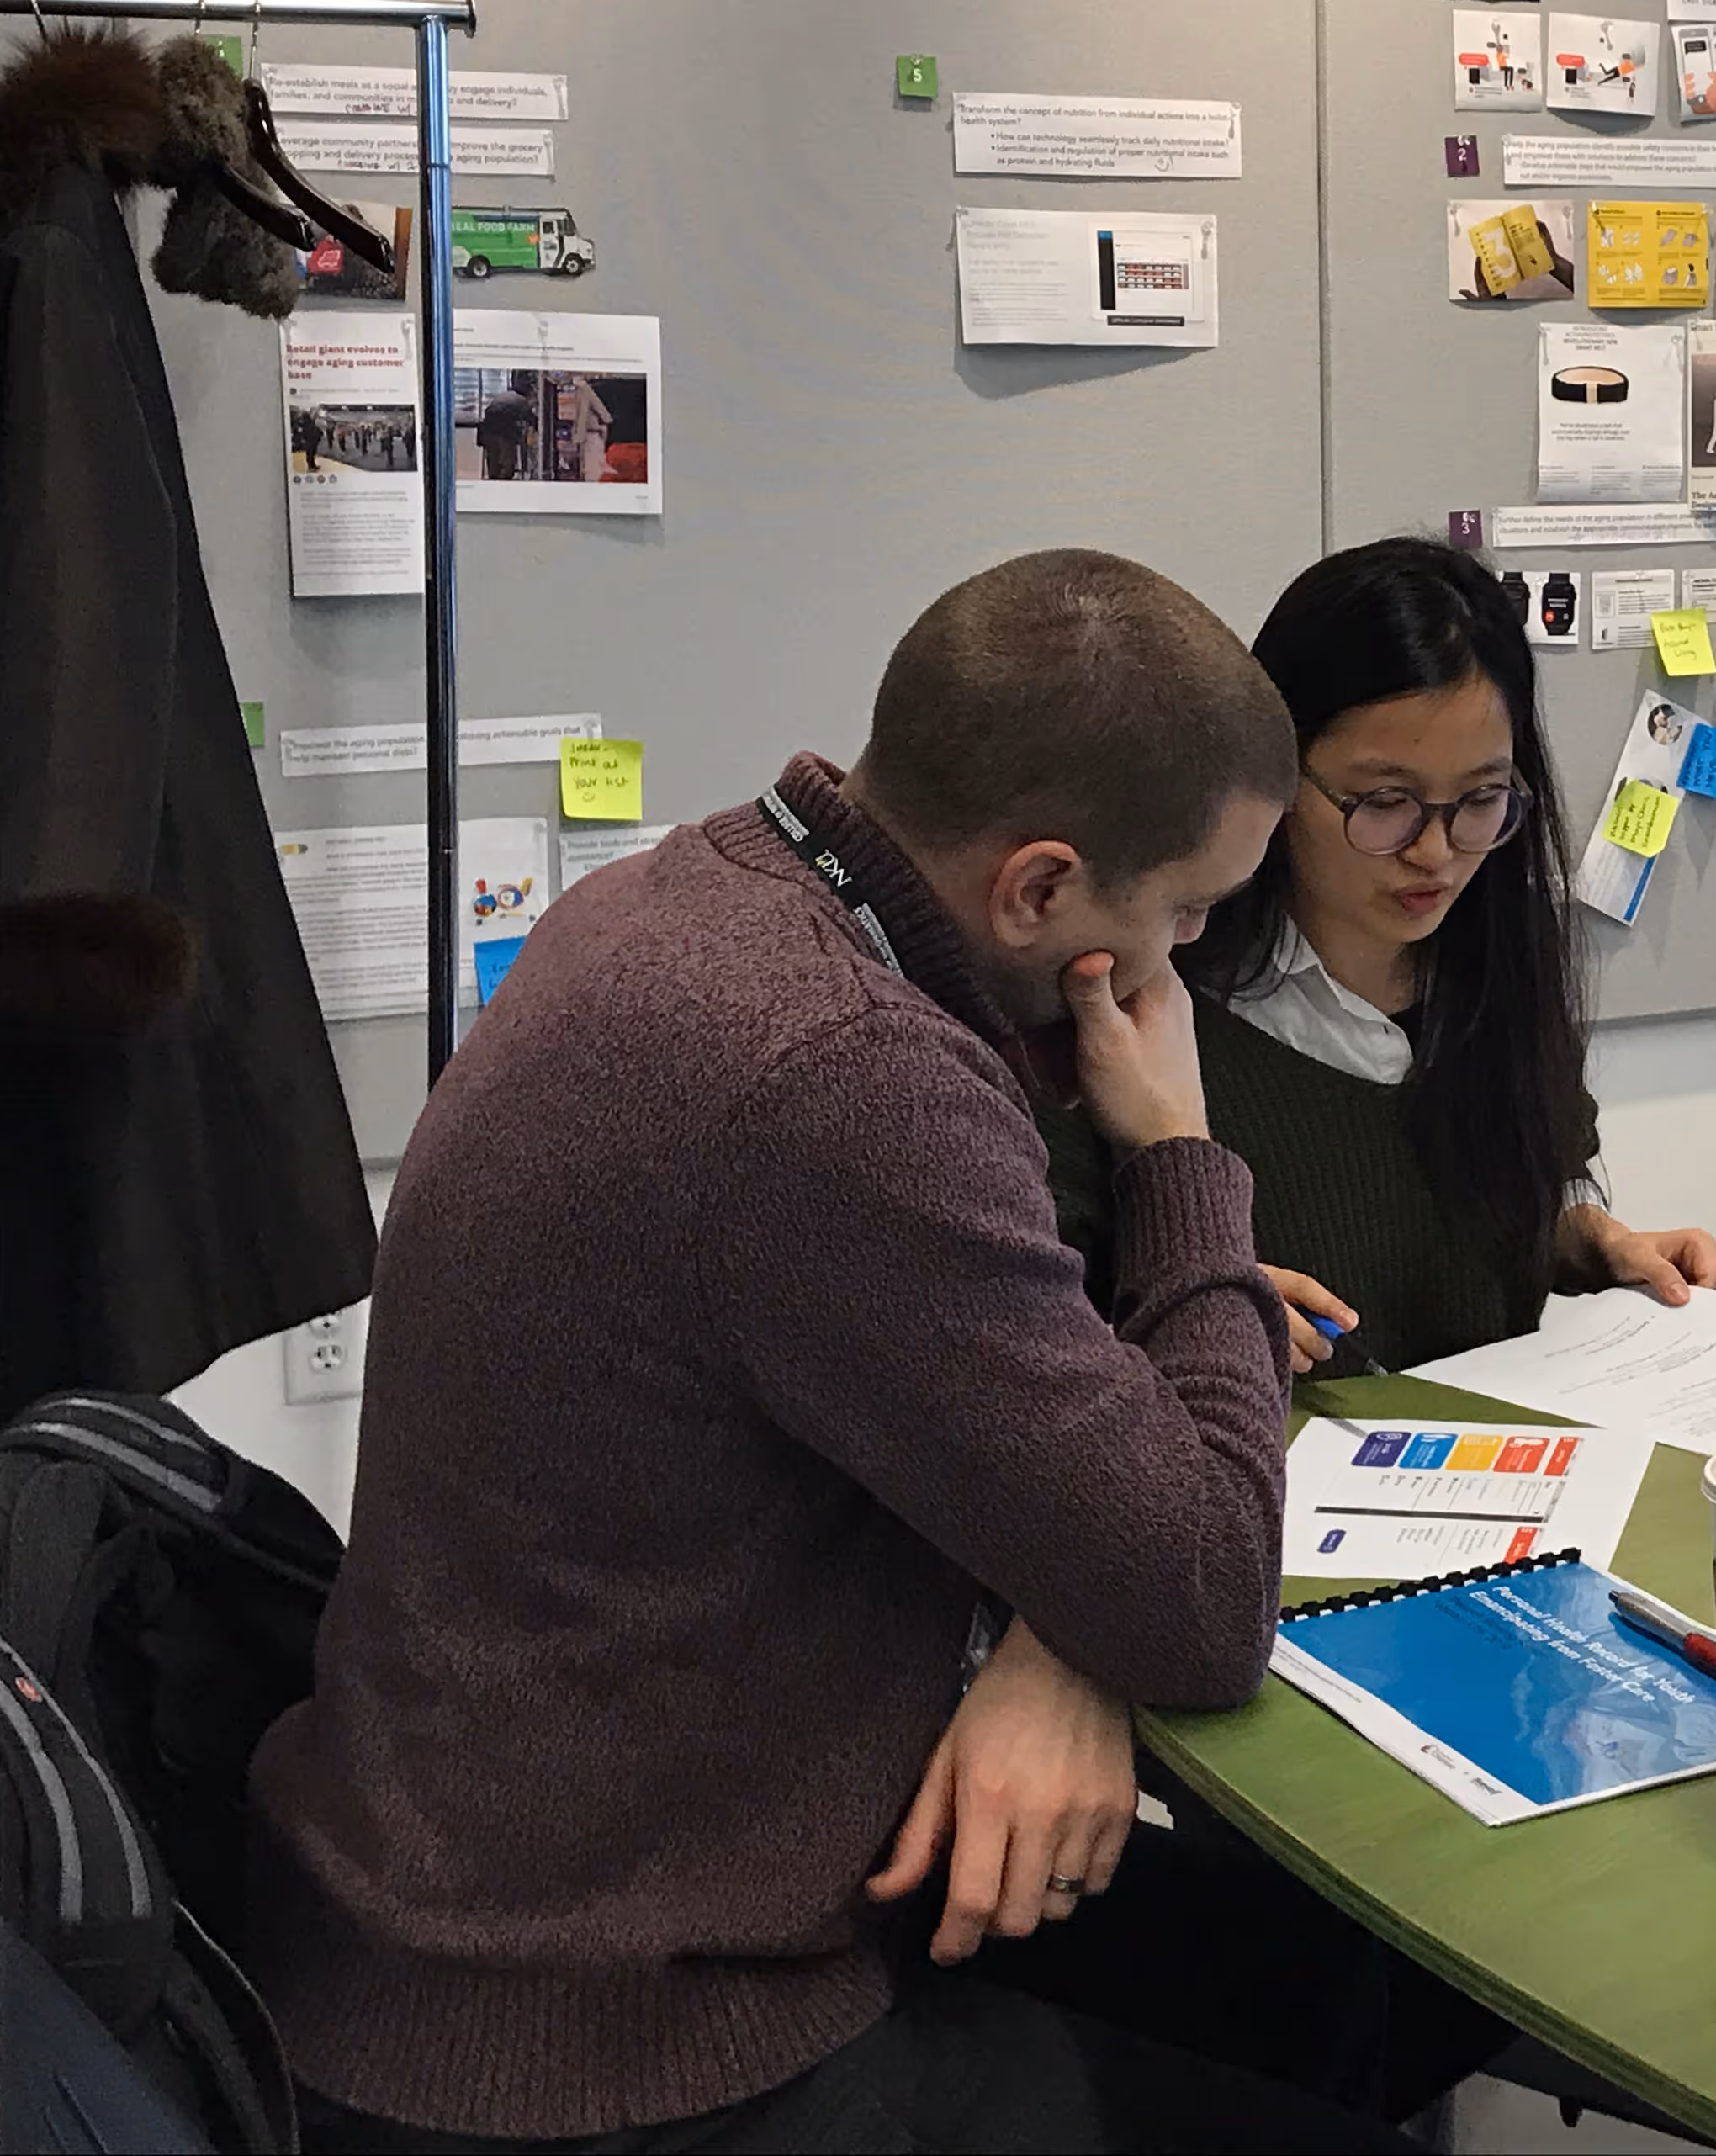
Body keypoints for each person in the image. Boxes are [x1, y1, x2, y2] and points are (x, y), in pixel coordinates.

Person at [247, 549, 1393, 2153]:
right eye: (1183, 913)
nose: (1181, 967)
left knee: (1332, 1982)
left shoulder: (682, 894)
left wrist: (1084, 1579)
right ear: (1039, 890)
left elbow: (984, 1393)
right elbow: (1199, 1593)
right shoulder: (839, 1076)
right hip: (602, 2034)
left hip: (462, 1900)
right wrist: (1179, 1159)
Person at [1045, 539, 1716, 1383]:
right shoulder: (1143, 1013)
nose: (1435, 853)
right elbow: (1035, 1331)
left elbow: (1493, 1198)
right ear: (1276, 778)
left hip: (1493, 1489)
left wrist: (1582, 1236)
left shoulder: (1497, 966)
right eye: (1385, 803)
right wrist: (1198, 1301)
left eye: (1481, 799)